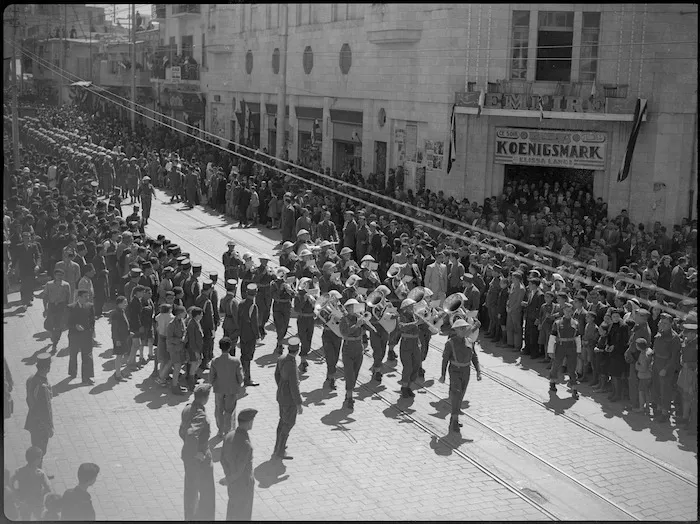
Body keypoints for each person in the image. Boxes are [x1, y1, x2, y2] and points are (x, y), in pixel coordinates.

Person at [179, 383, 215, 521]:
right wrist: (196, 453)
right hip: (200, 456)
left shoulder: (187, 408)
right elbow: (191, 433)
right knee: (207, 490)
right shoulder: (200, 414)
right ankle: (205, 517)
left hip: (187, 455)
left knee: (190, 489)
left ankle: (190, 516)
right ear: (205, 398)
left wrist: (188, 449)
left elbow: (182, 431)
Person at [439, 318, 482, 433]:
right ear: (456, 330)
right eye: (461, 329)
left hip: (466, 370)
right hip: (455, 370)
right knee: (456, 394)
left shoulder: (469, 342)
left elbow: (474, 357)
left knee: (461, 394)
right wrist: (442, 375)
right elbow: (445, 360)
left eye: (465, 328)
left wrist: (478, 371)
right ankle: (454, 419)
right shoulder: (450, 343)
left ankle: (454, 418)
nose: (464, 330)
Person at [221, 408, 258, 521]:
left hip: (232, 482)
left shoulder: (229, 435)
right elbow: (240, 470)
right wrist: (230, 479)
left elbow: (222, 459)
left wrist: (228, 476)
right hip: (243, 483)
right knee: (243, 513)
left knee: (232, 508)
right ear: (249, 422)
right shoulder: (246, 445)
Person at [273, 337, 303, 460]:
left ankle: (278, 446)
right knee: (289, 422)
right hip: (289, 398)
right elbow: (294, 386)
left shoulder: (281, 359)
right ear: (298, 350)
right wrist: (299, 403)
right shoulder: (291, 364)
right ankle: (280, 450)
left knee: (282, 421)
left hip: (281, 394)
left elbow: (276, 375)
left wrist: (281, 385)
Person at [210, 337, 244, 438]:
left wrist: (214, 384)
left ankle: (220, 430)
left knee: (219, 409)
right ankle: (228, 430)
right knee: (229, 411)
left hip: (219, 389)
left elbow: (211, 377)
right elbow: (240, 377)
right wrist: (239, 385)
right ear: (229, 348)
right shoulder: (236, 361)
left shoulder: (215, 361)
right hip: (231, 389)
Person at [547, 302, 582, 399]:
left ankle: (574, 389)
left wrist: (579, 350)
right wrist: (550, 350)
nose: (568, 313)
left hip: (572, 347)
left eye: (570, 311)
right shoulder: (557, 323)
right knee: (556, 365)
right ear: (563, 311)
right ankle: (552, 382)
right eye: (566, 311)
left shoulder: (575, 323)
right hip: (560, 346)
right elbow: (552, 337)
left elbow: (578, 337)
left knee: (572, 368)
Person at [24, 353, 53, 470]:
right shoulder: (43, 387)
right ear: (47, 368)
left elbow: (28, 400)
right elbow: (44, 409)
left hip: (32, 419)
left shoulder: (31, 379)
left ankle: (36, 471)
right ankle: (37, 474)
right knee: (40, 451)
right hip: (40, 424)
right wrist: (49, 427)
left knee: (36, 449)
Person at [10, 446, 52, 520]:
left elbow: (11, 481)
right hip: (37, 502)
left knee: (25, 518)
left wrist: (15, 491)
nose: (41, 459)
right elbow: (48, 488)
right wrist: (42, 494)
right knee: (39, 518)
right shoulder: (40, 474)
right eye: (40, 458)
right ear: (36, 460)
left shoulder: (19, 471)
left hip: (24, 501)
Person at [66, 289, 96, 385]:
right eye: (85, 296)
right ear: (79, 297)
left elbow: (92, 320)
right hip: (74, 335)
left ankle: (86, 377)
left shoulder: (90, 306)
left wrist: (92, 331)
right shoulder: (71, 307)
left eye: (88, 296)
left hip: (86, 335)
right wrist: (75, 326)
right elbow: (66, 322)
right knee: (73, 355)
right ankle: (73, 372)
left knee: (87, 356)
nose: (87, 298)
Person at [41, 268, 71, 352]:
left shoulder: (66, 285)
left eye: (61, 275)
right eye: (58, 275)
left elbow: (68, 298)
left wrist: (67, 310)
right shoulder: (49, 284)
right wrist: (45, 308)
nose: (59, 277)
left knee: (59, 326)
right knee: (48, 324)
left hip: (61, 307)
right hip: (52, 306)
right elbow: (45, 297)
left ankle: (55, 343)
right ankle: (52, 335)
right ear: (54, 276)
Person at [238, 284, 261, 386]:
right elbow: (254, 323)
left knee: (243, 355)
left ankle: (243, 374)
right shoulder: (253, 306)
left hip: (242, 333)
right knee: (248, 357)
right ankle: (247, 379)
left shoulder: (241, 303)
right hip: (250, 335)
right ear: (255, 294)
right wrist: (257, 335)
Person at [109, 296, 131, 381]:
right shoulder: (116, 314)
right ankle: (117, 375)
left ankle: (118, 372)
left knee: (123, 354)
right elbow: (114, 328)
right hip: (119, 338)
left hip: (124, 337)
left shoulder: (122, 311)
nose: (126, 304)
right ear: (119, 304)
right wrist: (117, 340)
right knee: (119, 356)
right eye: (124, 303)